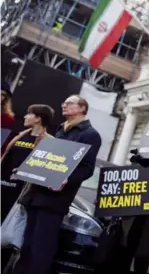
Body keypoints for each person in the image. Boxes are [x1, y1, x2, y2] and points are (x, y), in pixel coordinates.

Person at [14, 95, 102, 274]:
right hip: (37, 195)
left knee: (41, 247)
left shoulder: (90, 135)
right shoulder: (61, 130)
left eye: (69, 103)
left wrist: (66, 180)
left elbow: (87, 168)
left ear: (82, 109)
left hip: (55, 200)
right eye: (63, 103)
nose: (64, 105)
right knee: (27, 243)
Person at [1, 104, 54, 223]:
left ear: (38, 118)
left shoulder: (49, 141)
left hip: (21, 190)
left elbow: (44, 169)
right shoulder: (20, 135)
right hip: (3, 183)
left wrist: (24, 172)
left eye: (29, 114)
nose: (25, 116)